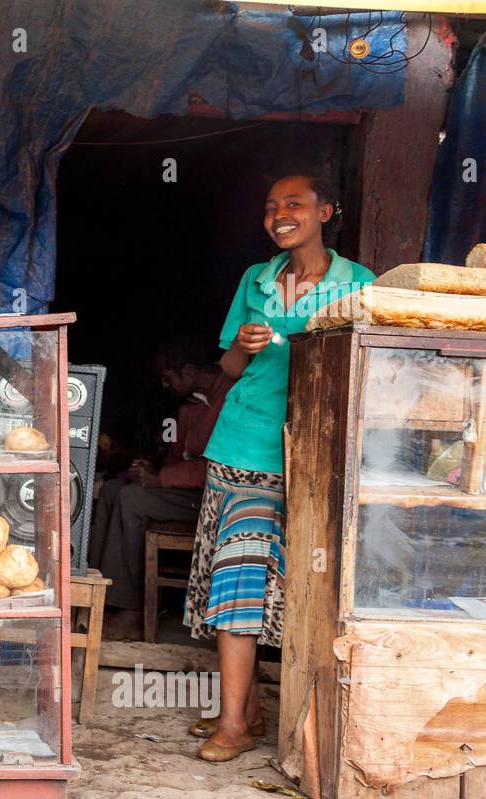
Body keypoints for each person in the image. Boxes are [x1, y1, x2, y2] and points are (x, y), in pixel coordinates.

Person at [185, 172, 374, 761]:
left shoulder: (357, 284)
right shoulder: (257, 279)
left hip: (316, 453)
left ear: (326, 211)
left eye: (294, 203)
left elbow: (363, 365)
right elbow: (232, 368)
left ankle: (247, 711)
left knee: (297, 584)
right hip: (245, 445)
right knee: (238, 577)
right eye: (271, 207)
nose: (280, 214)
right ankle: (237, 721)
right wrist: (243, 342)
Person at [90, 347, 232, 640]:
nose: (165, 386)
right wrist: (149, 471)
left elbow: (216, 467)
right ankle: (94, 596)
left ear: (190, 371)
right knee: (113, 490)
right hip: (186, 493)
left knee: (132, 500)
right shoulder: (188, 407)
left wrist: (161, 479)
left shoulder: (230, 397)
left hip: (214, 500)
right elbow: (176, 458)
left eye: (168, 377)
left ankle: (129, 612)